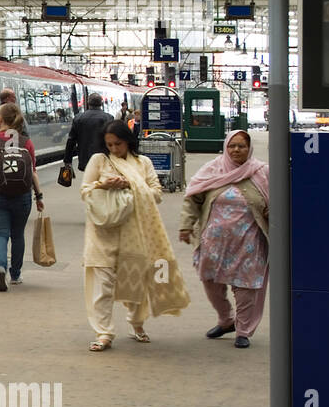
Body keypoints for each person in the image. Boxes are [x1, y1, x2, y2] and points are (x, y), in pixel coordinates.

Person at [80, 120, 190, 351]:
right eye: (109, 144)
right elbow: (85, 190)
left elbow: (156, 193)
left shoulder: (143, 163)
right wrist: (105, 184)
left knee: (135, 284)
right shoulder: (98, 161)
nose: (113, 149)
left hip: (135, 231)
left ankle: (136, 323)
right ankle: (104, 333)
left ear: (128, 141)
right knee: (102, 286)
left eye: (118, 144)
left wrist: (130, 185)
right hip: (102, 232)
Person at [179, 130, 270, 349]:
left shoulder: (262, 172)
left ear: (250, 148)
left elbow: (279, 198)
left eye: (241, 146)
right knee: (210, 281)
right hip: (214, 242)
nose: (236, 150)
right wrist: (186, 226)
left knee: (246, 287)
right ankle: (226, 319)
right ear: (226, 147)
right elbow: (192, 198)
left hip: (249, 242)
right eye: (232, 146)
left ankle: (243, 330)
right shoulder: (212, 170)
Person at [0, 103, 44, 291]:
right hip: (22, 196)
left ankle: (0, 266)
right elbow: (32, 173)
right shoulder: (26, 142)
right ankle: (15, 275)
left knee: (1, 234)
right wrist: (39, 196)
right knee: (17, 235)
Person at [63, 92, 115, 172]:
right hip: (104, 158)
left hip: (85, 159)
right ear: (101, 103)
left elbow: (71, 140)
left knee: (89, 180)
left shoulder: (78, 118)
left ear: (88, 103)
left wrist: (67, 160)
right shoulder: (109, 118)